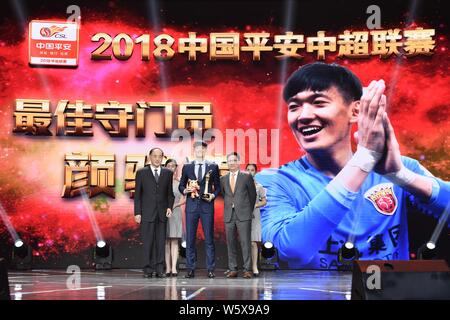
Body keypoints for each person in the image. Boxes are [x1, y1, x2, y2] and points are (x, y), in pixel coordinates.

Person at [256, 62, 450, 270]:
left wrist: (401, 175)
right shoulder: (274, 181)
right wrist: (364, 160)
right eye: (294, 106)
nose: (303, 116)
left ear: (355, 111)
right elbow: (291, 250)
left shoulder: (398, 168)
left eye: (319, 103)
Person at [179, 140, 221, 278]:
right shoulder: (187, 167)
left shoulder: (213, 167)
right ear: (194, 151)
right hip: (191, 206)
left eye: (203, 150)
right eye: (198, 150)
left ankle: (210, 269)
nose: (200, 152)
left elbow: (218, 187)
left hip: (207, 206)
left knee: (209, 239)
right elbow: (181, 185)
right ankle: (190, 268)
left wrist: (213, 195)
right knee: (190, 239)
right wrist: (186, 190)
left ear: (205, 151)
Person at [134, 147, 175, 278]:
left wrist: (169, 207)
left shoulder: (167, 173)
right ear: (150, 157)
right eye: (155, 156)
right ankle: (147, 269)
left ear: (162, 158)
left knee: (160, 242)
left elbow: (170, 194)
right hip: (146, 213)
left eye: (160, 156)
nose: (157, 159)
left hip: (162, 213)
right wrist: (137, 212)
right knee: (148, 242)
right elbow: (138, 195)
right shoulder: (141, 173)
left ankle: (160, 269)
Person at [221, 152, 257, 279]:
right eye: (229, 161)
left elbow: (252, 196)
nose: (231, 163)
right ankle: (233, 269)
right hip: (229, 215)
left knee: (245, 243)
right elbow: (224, 194)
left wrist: (247, 209)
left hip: (244, 214)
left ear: (238, 162)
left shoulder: (246, 177)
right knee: (230, 243)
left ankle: (247, 270)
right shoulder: (223, 179)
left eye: (234, 160)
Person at [164, 159, 185, 277]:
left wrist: (175, 205)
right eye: (169, 166)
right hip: (164, 212)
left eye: (173, 166)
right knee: (166, 241)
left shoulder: (179, 183)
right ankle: (167, 268)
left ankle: (174, 268)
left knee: (175, 240)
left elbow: (184, 198)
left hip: (175, 212)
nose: (171, 168)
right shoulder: (161, 182)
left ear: (176, 168)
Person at [246, 163, 267, 277]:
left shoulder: (259, 186)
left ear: (255, 172)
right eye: (248, 170)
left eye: (252, 170)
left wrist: (256, 205)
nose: (250, 172)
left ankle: (254, 266)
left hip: (255, 215)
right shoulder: (241, 185)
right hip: (243, 215)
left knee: (253, 242)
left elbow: (264, 201)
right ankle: (246, 267)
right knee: (245, 242)